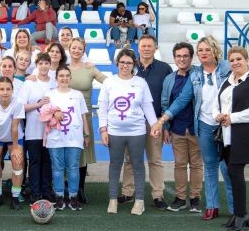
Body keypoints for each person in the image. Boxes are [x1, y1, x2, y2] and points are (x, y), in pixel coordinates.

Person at [151, 36, 235, 220]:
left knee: (228, 168)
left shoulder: (226, 67)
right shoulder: (195, 76)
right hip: (202, 126)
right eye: (201, 50)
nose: (203, 53)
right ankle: (212, 207)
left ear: (214, 50)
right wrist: (162, 122)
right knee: (209, 167)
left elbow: (246, 74)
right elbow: (180, 100)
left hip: (225, 126)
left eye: (207, 49)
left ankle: (236, 209)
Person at [99, 49, 159, 215]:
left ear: (134, 65)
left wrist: (154, 125)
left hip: (137, 132)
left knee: (138, 165)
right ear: (117, 63)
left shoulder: (140, 83)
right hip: (114, 131)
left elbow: (147, 106)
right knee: (115, 165)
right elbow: (102, 108)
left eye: (129, 63)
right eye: (122, 62)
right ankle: (112, 200)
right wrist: (103, 129)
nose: (125, 65)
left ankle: (139, 201)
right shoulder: (109, 82)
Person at [213, 46, 249, 230]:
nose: (235, 63)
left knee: (235, 173)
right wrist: (218, 115)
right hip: (226, 137)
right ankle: (240, 215)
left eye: (239, 59)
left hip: (243, 136)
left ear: (247, 61)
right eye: (232, 60)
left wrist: (232, 118)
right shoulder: (226, 81)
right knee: (232, 174)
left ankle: (241, 215)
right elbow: (216, 104)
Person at [119, 35, 172, 210]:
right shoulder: (130, 67)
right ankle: (127, 192)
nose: (147, 49)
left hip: (154, 122)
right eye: (143, 46)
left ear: (155, 48)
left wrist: (164, 125)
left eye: (150, 46)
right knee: (130, 159)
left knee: (155, 159)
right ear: (138, 47)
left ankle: (158, 195)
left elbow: (168, 98)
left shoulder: (165, 69)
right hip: (132, 121)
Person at [161, 42, 203, 213]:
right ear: (174, 58)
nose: (182, 59)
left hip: (197, 128)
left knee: (196, 165)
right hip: (177, 128)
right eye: (178, 56)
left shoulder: (200, 75)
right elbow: (165, 103)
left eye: (185, 56)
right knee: (179, 164)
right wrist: (165, 127)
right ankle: (179, 198)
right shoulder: (169, 79)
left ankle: (195, 198)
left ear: (191, 57)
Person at [43, 66, 89, 211]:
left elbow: (83, 115)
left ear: (70, 78)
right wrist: (54, 113)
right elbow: (43, 115)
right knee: (57, 168)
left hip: (74, 137)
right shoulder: (49, 95)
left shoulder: (78, 95)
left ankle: (73, 198)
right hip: (55, 137)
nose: (64, 78)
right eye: (61, 76)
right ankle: (59, 198)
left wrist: (86, 133)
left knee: (73, 167)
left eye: (66, 75)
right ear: (56, 78)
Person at [68, 38, 107, 203]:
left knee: (83, 155)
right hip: (66, 119)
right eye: (74, 48)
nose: (76, 50)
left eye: (80, 48)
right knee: (67, 154)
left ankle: (80, 189)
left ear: (83, 51)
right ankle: (67, 188)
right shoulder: (64, 69)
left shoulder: (90, 68)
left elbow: (109, 81)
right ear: (69, 49)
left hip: (85, 118)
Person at [18, 52, 56, 202]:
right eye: (41, 63)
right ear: (37, 65)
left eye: (46, 63)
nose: (44, 66)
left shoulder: (54, 83)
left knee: (48, 162)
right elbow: (21, 107)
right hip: (33, 131)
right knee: (35, 162)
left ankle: (46, 190)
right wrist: (39, 104)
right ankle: (35, 192)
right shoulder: (29, 83)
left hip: (51, 132)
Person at [0, 77, 25, 209]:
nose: (5, 92)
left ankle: (15, 197)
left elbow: (14, 127)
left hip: (14, 137)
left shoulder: (18, 102)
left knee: (17, 160)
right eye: (2, 89)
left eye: (8, 89)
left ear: (12, 90)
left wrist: (16, 149)